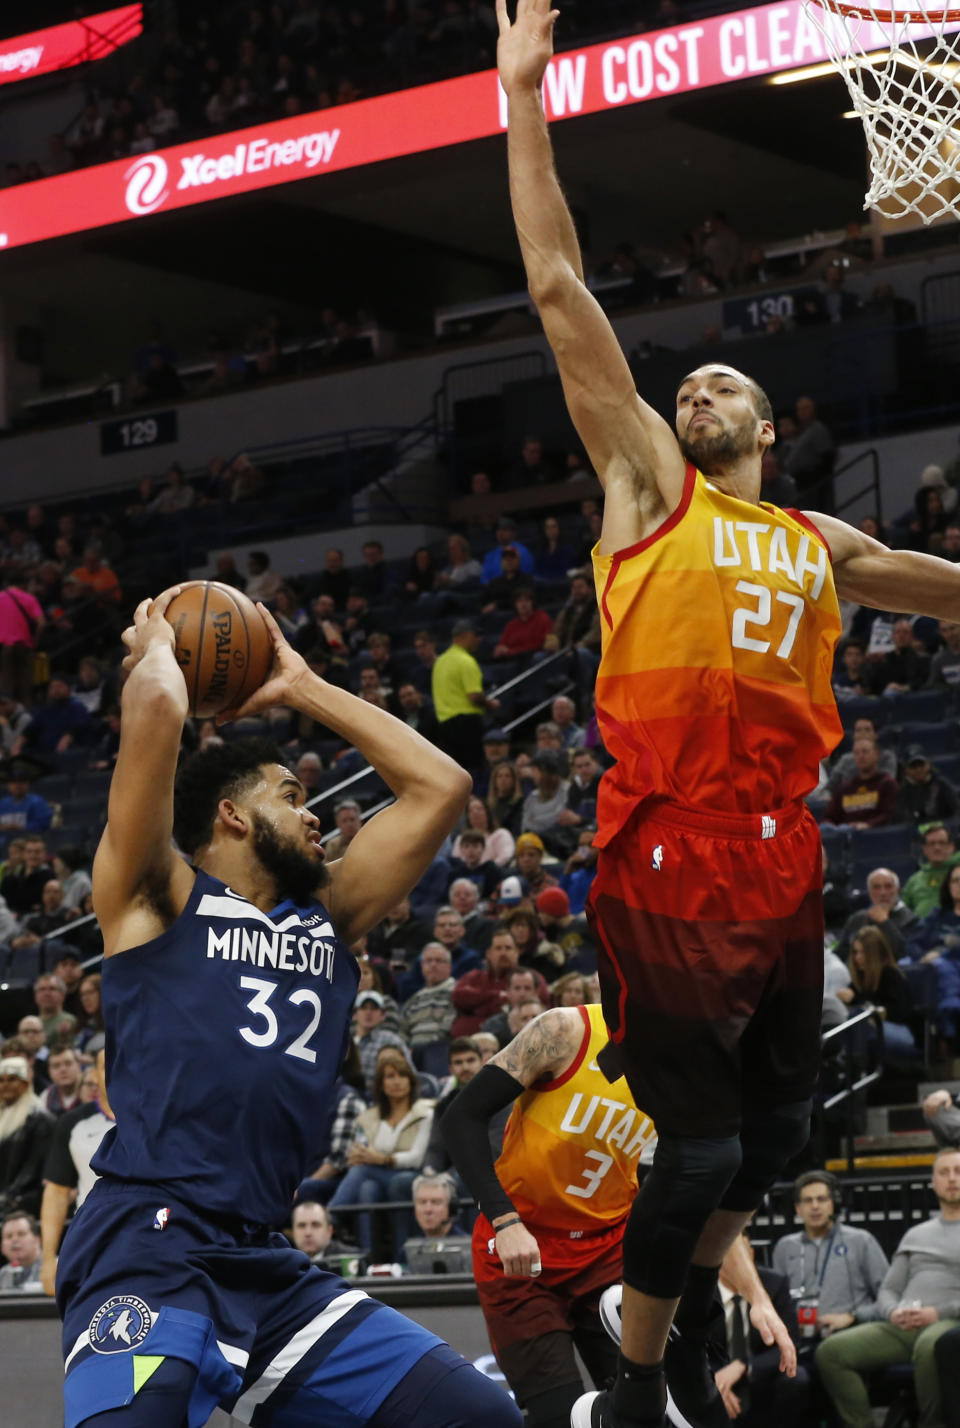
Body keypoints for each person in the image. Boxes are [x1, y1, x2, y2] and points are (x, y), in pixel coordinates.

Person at [494, 6, 960, 1426]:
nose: (691, 383)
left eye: (719, 379)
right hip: (670, 846)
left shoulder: (818, 535)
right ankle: (637, 1384)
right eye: (682, 380)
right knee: (697, 1161)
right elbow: (562, 284)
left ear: (770, 418)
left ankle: (673, 1324)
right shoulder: (650, 483)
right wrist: (525, 98)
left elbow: (940, 590)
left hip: (785, 857)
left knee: (766, 1144)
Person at [55, 590, 519, 1428]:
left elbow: (442, 785)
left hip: (266, 1264)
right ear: (231, 815)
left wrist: (302, 685)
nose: (314, 812)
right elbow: (159, 703)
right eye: (287, 793)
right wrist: (162, 642)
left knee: (479, 1419)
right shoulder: (155, 897)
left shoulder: (329, 915)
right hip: (151, 1242)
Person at [441, 1002, 796, 1428]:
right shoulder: (564, 1031)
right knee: (557, 1415)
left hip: (606, 1248)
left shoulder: (690, 1081)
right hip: (523, 1245)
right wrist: (504, 1219)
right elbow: (461, 1116)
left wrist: (758, 1299)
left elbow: (705, 1206)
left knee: (641, 1410)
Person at [815, 1147, 960, 1428]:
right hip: (903, 1325)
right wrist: (892, 1311)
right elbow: (888, 1289)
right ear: (933, 1181)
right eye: (944, 1172)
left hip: (949, 1323)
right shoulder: (916, 1234)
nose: (952, 1178)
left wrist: (937, 1313)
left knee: (933, 1346)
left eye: (958, 1171)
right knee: (830, 1352)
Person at [327, 1050, 434, 1260]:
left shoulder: (425, 1112)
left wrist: (383, 1159)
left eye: (402, 1076)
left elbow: (416, 1157)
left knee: (375, 1175)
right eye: (390, 1076)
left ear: (411, 1081)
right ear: (381, 1084)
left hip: (413, 1176)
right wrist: (362, 1156)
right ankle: (370, 1256)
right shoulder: (370, 1117)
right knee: (367, 1188)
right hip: (377, 1176)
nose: (397, 1082)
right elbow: (359, 1152)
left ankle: (330, 1216)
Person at [772, 1171, 889, 1358]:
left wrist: (853, 1317)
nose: (815, 1206)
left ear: (833, 1204)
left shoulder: (861, 1241)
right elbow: (775, 1302)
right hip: (798, 1339)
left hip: (850, 1334)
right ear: (798, 1209)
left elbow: (888, 1298)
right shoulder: (785, 1247)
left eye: (822, 1199)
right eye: (808, 1201)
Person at [40, 1050, 115, 1296]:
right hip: (91, 1241)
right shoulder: (73, 1124)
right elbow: (57, 1193)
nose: (116, 1071)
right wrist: (49, 1258)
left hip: (148, 1234)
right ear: (94, 1074)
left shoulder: (158, 1119)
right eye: (106, 1065)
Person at [839, 927, 917, 1062]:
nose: (858, 958)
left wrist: (856, 1000)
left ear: (874, 954)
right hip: (872, 1029)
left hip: (901, 1031)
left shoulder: (891, 975)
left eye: (863, 953)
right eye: (855, 952)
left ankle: (856, 1067)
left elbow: (901, 1012)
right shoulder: (860, 979)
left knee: (858, 1021)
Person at [432, 620, 499, 773]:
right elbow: (474, 696)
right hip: (467, 726)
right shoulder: (466, 661)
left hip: (444, 726)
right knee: (473, 771)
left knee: (454, 773)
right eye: (476, 635)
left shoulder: (439, 662)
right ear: (466, 636)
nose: (479, 639)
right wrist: (490, 704)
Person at [0, 1053, 53, 1217]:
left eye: (13, 1079)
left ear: (26, 1083)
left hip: (22, 1202)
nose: (5, 1085)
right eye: (1, 1080)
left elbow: (33, 1168)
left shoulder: (40, 1119)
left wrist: (7, 1196)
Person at [903, 824, 960, 917]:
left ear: (952, 846)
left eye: (942, 843)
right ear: (925, 849)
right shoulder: (914, 880)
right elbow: (901, 907)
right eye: (932, 844)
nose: (937, 848)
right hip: (921, 929)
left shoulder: (958, 872)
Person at [290, 1200, 354, 1266]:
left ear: (329, 1231)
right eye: (301, 1225)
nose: (308, 1233)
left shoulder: (351, 1258)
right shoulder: (285, 1263)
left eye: (315, 1225)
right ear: (293, 1232)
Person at [0, 1210, 43, 1291]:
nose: (15, 1239)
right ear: (2, 1247)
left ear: (37, 1241)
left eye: (21, 1234)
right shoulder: (3, 1275)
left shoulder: (57, 1268)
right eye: (9, 1236)